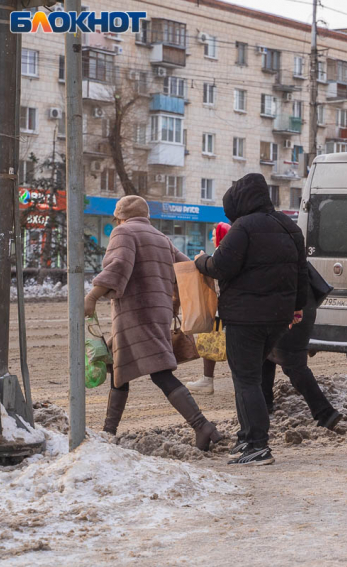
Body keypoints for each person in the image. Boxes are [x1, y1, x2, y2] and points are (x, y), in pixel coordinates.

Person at [84, 196, 223, 451]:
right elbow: (188, 268)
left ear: (121, 217)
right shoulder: (161, 238)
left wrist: (92, 296)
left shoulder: (123, 232)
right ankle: (108, 430)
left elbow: (117, 268)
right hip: (158, 312)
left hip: (135, 314)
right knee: (120, 365)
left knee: (159, 372)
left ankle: (202, 426)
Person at [195, 173, 309, 466]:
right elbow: (301, 274)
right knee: (251, 378)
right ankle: (247, 437)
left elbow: (221, 266)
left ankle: (257, 444)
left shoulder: (244, 227)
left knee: (246, 380)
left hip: (245, 317)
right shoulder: (289, 226)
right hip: (278, 318)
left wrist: (200, 261)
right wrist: (296, 309)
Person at [262, 263, 343, 430]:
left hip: (292, 306)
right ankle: (264, 403)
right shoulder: (283, 239)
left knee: (292, 363)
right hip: (293, 301)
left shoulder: (272, 242)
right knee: (265, 353)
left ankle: (325, 412)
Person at [187, 221, 230, 395]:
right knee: (209, 339)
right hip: (222, 307)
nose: (212, 238)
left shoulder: (223, 254)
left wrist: (204, 260)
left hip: (223, 309)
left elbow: (214, 270)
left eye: (214, 235)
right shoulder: (224, 252)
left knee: (213, 340)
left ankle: (207, 380)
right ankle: (207, 380)